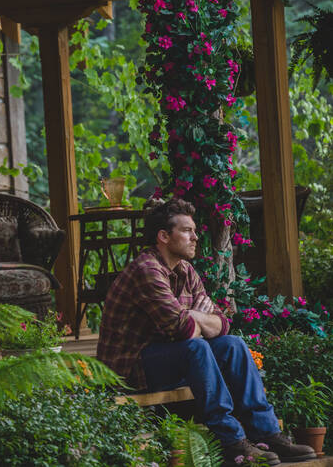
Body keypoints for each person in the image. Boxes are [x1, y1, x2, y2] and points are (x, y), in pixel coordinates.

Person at [97, 198, 316, 465]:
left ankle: (267, 433)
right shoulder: (147, 270)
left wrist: (194, 316)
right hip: (132, 369)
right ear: (164, 236)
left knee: (232, 344)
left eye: (194, 230)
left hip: (170, 355)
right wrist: (196, 320)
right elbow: (185, 330)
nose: (195, 236)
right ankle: (231, 442)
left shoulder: (186, 270)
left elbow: (222, 323)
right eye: (187, 230)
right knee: (197, 347)